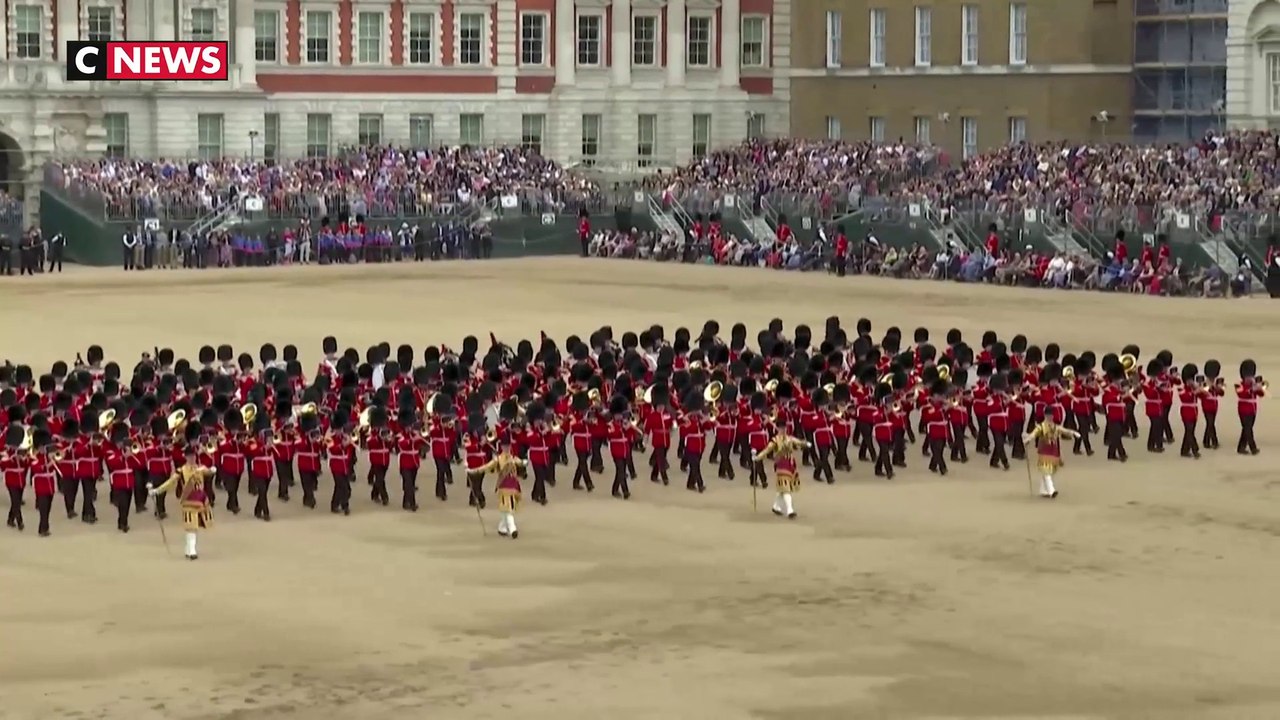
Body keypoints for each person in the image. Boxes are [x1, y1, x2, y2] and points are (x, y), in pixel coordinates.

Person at [148, 425, 217, 560]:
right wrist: (157, 490)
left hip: (201, 500)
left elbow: (209, 470)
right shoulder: (181, 470)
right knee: (190, 526)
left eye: (193, 456)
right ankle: (191, 550)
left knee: (196, 526)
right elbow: (170, 482)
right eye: (190, 457)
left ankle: (189, 548)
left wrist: (213, 469)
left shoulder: (200, 468)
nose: (192, 459)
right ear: (186, 457)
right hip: (188, 500)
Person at [467, 440, 527, 539]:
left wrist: (524, 462)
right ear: (502, 447)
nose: (507, 448)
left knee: (507, 508)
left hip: (514, 486)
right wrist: (473, 471)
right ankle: (513, 529)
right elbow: (486, 467)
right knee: (508, 509)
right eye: (505, 446)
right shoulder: (498, 459)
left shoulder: (513, 458)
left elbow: (521, 463)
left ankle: (502, 527)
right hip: (504, 486)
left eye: (508, 446)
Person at [753, 429, 810, 519]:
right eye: (781, 428)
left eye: (784, 428)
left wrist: (805, 443)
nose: (783, 430)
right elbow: (767, 450)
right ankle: (790, 510)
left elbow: (798, 442)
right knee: (786, 487)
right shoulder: (775, 440)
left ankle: (776, 506)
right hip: (781, 464)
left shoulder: (789, 438)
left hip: (790, 464)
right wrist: (758, 457)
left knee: (782, 488)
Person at [1023, 416, 1080, 499]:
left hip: (1053, 451)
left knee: (1050, 471)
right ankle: (1051, 490)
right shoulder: (1041, 427)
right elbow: (1033, 434)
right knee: (1046, 471)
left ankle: (1043, 490)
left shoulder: (1055, 427)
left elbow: (1065, 431)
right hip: (1044, 452)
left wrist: (1074, 433)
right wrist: (1027, 439)